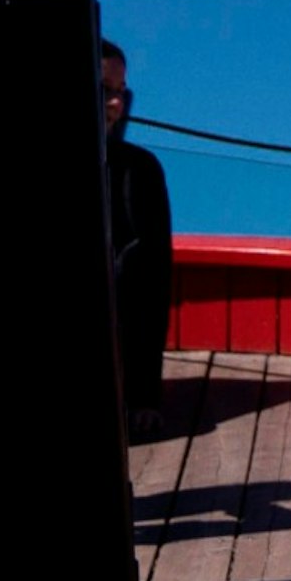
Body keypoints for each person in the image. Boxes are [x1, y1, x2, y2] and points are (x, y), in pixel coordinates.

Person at [97, 41, 174, 440]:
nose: (115, 104)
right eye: (103, 91)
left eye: (120, 92)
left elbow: (152, 285)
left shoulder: (137, 171)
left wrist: (144, 397)